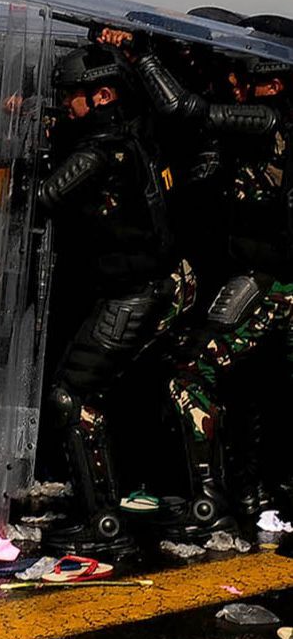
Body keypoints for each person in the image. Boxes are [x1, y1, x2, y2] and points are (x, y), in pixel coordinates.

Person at [104, 24, 293, 525]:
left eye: (246, 77)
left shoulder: (272, 118)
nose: (234, 85)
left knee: (190, 379)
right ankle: (248, 496)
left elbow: (187, 108)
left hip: (273, 282)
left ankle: (210, 501)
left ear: (273, 83)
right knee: (250, 390)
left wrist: (142, 56)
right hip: (260, 276)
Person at [37, 42, 194, 556]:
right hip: (154, 287)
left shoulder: (101, 149)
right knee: (90, 394)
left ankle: (103, 523)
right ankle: (102, 510)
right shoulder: (138, 136)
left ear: (102, 94)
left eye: (72, 95)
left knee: (71, 396)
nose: (65, 104)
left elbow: (41, 198)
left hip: (134, 292)